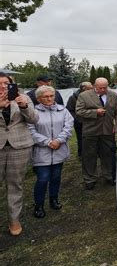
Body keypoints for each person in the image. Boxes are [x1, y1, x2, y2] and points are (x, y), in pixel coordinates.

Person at [0, 72, 38, 236]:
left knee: (15, 185)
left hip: (20, 147)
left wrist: (24, 106)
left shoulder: (22, 97)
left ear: (11, 84)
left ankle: (14, 220)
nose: (2, 86)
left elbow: (34, 119)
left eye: (5, 83)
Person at [27, 86, 74, 218]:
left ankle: (54, 199)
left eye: (51, 96)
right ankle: (39, 205)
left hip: (59, 150)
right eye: (45, 96)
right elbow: (30, 130)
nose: (49, 99)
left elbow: (68, 126)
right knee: (42, 179)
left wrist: (59, 140)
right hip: (42, 152)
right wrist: (47, 142)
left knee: (56, 177)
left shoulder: (62, 110)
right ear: (38, 98)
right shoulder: (33, 113)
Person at [76, 77, 117, 190]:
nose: (103, 90)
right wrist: (95, 112)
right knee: (89, 156)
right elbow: (79, 111)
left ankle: (109, 176)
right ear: (94, 86)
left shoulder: (112, 95)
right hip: (90, 131)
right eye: (100, 88)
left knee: (108, 155)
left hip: (107, 131)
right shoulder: (84, 96)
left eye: (105, 87)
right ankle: (90, 179)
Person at [66, 81, 93, 157]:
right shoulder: (73, 98)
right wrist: (78, 120)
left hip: (91, 122)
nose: (92, 87)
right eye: (90, 86)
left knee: (92, 139)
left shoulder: (92, 95)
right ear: (84, 88)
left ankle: (92, 153)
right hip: (80, 123)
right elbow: (69, 110)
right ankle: (82, 155)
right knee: (81, 139)